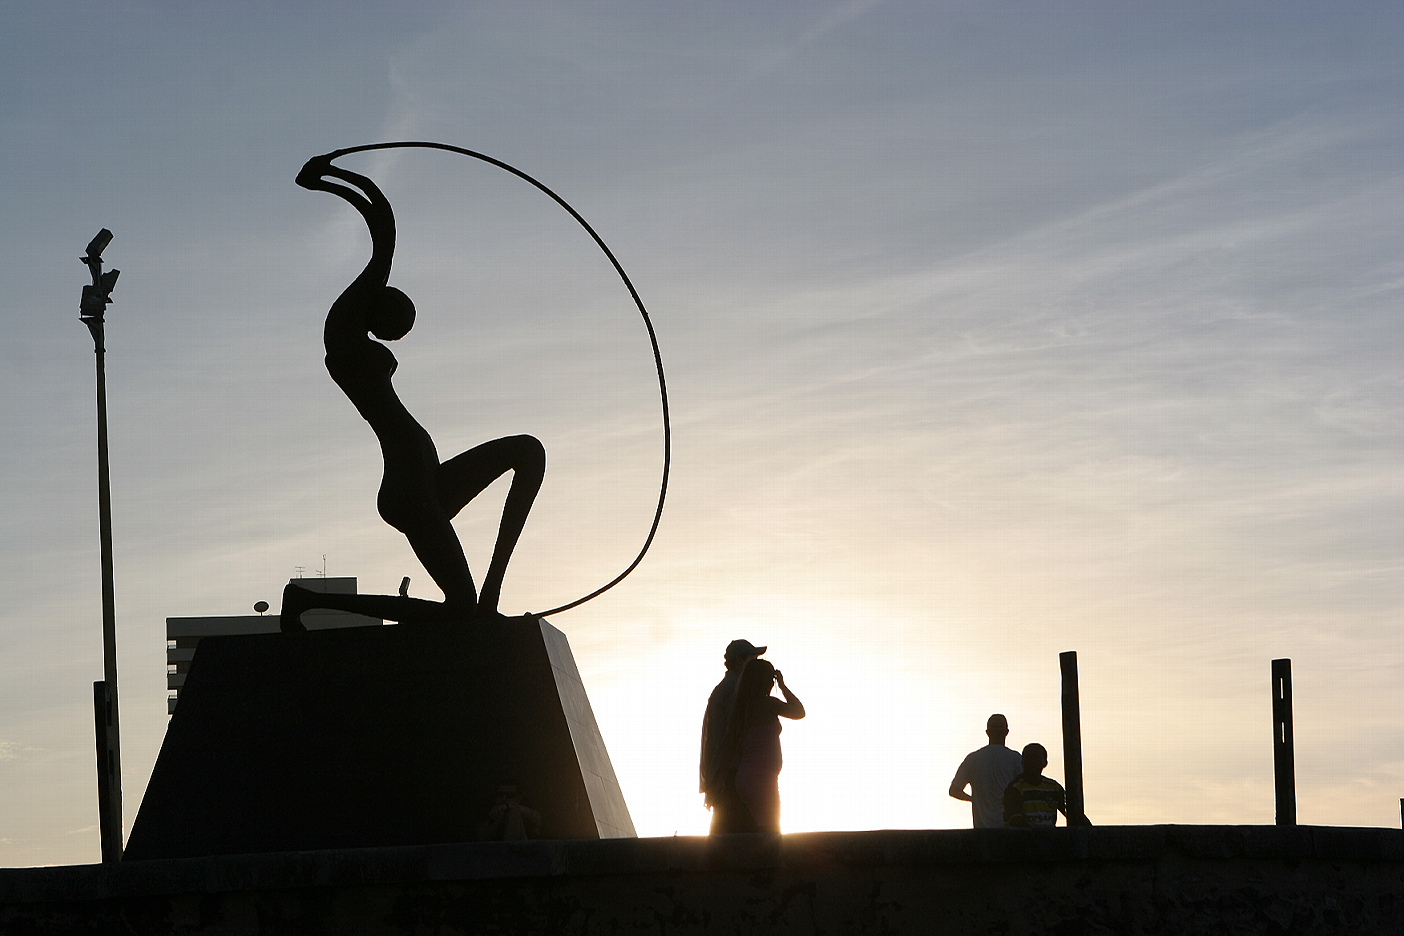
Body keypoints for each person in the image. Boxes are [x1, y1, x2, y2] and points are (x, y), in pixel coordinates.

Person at [280, 154, 545, 630]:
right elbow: (383, 231)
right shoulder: (343, 338)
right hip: (408, 488)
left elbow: (382, 228)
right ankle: (305, 600)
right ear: (375, 305)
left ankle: (491, 595)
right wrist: (328, 177)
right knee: (458, 609)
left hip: (428, 479)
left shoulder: (355, 343)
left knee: (528, 451)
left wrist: (331, 178)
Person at [718, 659, 804, 833]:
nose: (772, 683)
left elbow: (729, 748)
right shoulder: (768, 704)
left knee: (758, 831)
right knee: (771, 832)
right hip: (761, 780)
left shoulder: (741, 709)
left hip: (747, 778)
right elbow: (799, 712)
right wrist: (783, 686)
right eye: (770, 679)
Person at [700, 639, 766, 832]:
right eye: (752, 658)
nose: (755, 663)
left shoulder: (724, 688)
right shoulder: (735, 689)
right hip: (731, 772)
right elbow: (732, 735)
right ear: (739, 661)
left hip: (725, 771)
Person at [949, 713, 1025, 829]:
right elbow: (1026, 788)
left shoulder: (972, 759)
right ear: (1006, 732)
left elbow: (954, 790)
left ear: (987, 732)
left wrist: (973, 799)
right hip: (1008, 830)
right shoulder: (1016, 759)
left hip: (981, 831)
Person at [1003, 743, 1068, 828]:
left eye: (1036, 758)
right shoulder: (1014, 789)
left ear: (1045, 763)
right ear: (1022, 762)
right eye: (1028, 758)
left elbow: (1072, 812)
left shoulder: (1054, 788)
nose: (1032, 762)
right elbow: (1016, 820)